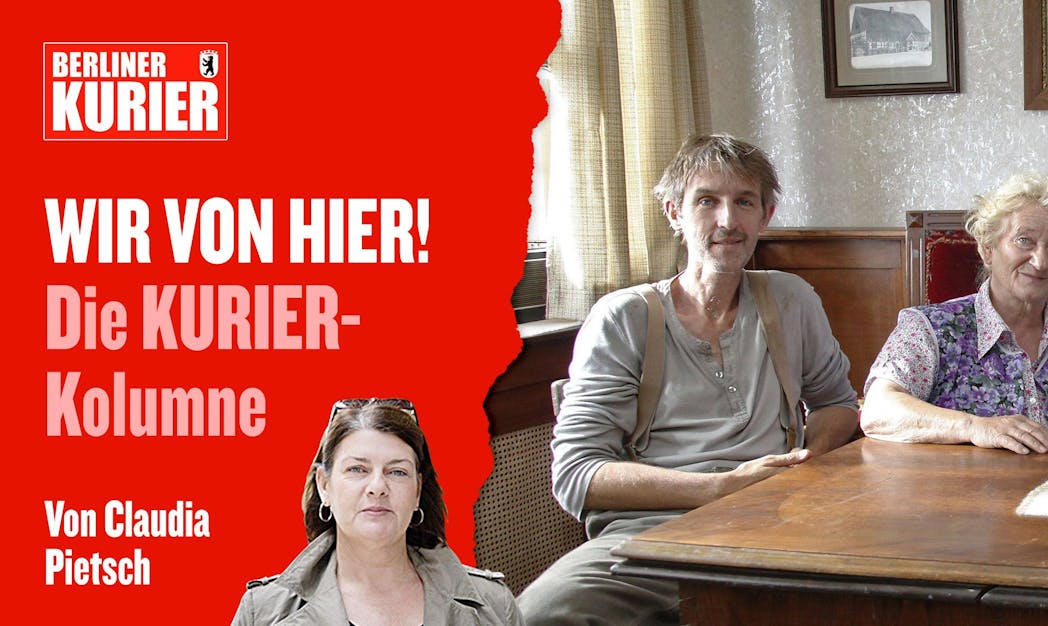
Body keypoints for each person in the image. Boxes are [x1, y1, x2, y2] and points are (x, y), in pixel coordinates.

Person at [519, 134, 860, 625]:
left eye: (744, 202)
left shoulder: (792, 298)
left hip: (782, 523)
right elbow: (577, 476)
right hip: (654, 534)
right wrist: (717, 489)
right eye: (707, 201)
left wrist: (807, 464)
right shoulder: (623, 318)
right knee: (543, 613)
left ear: (765, 216)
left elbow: (837, 404)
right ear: (674, 212)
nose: (728, 220)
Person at [863, 172, 1048, 453]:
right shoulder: (929, 329)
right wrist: (974, 427)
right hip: (955, 495)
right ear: (988, 249)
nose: (1040, 261)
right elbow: (878, 411)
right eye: (1024, 240)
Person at [235, 398, 519, 625]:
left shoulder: (493, 607)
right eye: (357, 469)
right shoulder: (262, 614)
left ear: (417, 491)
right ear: (324, 486)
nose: (377, 487)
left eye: (396, 472)